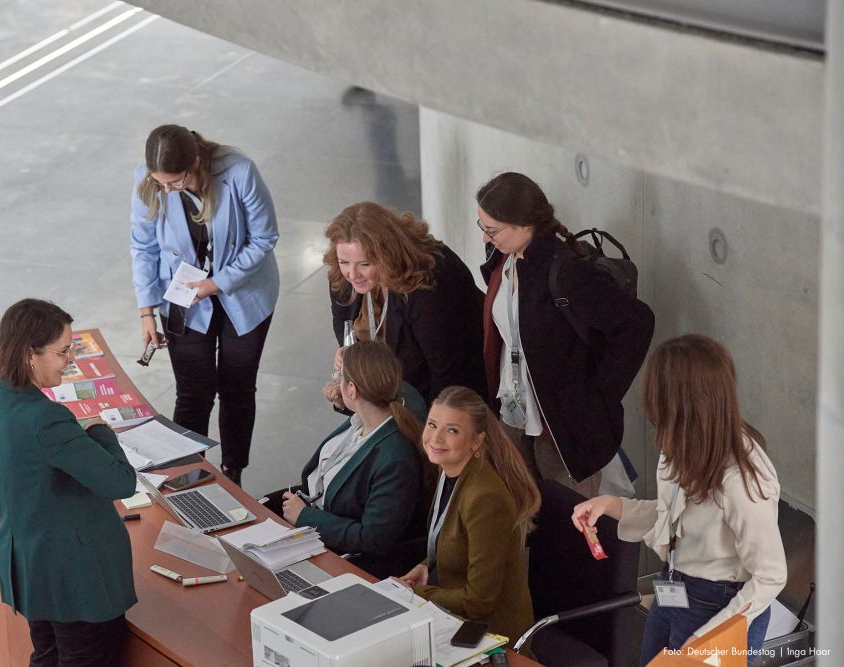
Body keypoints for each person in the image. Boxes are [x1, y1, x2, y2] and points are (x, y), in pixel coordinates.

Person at [571, 335, 786, 665]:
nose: (652, 414)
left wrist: (706, 640)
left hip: (721, 605)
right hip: (673, 585)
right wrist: (612, 506)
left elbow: (770, 576)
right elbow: (671, 520)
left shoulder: (742, 480)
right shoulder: (681, 445)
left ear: (685, 407)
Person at [0, 299, 137, 667]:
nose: (70, 359)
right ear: (31, 354)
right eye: (63, 352)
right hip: (76, 580)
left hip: (30, 568)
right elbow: (122, 483)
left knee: (46, 655)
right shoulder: (47, 419)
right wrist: (100, 432)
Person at [477, 172, 654, 497]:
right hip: (515, 418)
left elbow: (637, 323)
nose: (487, 239)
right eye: (483, 228)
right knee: (527, 527)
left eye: (492, 230)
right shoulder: (505, 260)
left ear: (524, 224)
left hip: (561, 431)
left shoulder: (566, 271)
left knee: (574, 530)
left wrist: (598, 394)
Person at [131, 124, 279, 486]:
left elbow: (264, 237)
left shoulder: (239, 172)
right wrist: (146, 310)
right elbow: (143, 246)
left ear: (196, 162)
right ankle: (188, 474)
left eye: (175, 182)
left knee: (237, 387)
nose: (167, 190)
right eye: (160, 182)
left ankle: (232, 474)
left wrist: (217, 284)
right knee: (193, 391)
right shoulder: (149, 181)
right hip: (182, 299)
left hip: (243, 296)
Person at [276, 341, 429, 578]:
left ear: (353, 390)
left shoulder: (395, 460)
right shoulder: (375, 412)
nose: (335, 382)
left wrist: (306, 517)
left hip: (335, 545)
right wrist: (345, 401)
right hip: (310, 506)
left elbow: (373, 539)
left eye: (340, 377)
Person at [399, 386, 540, 642]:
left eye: (452, 430)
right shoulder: (449, 470)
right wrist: (426, 565)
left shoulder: (485, 498)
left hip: (489, 635)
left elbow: (479, 602)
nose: (436, 438)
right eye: (432, 425)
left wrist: (417, 593)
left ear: (476, 441)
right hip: (451, 616)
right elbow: (454, 540)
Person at [323, 201, 486, 406]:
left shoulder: (428, 284)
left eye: (365, 264)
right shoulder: (343, 277)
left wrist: (427, 431)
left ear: (387, 256)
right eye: (343, 262)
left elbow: (448, 373)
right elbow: (344, 325)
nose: (352, 274)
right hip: (398, 396)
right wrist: (352, 362)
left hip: (446, 396)